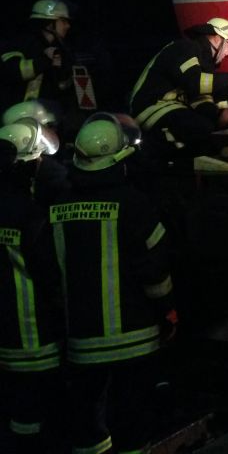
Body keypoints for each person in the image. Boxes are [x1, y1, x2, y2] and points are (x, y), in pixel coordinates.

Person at [54, 112, 176, 454]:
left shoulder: (56, 208)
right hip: (135, 340)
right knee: (132, 423)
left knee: (89, 423)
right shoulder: (135, 205)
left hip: (80, 341)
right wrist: (166, 311)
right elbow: (156, 271)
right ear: (120, 160)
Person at [0, 118, 64, 454]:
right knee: (37, 414)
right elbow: (50, 273)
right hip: (32, 335)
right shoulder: (30, 214)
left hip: (7, 332)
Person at [128, 17, 228, 161]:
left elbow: (200, 99)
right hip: (151, 108)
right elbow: (194, 83)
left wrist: (218, 114)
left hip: (166, 108)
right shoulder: (185, 48)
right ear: (217, 39)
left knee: (203, 128)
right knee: (196, 129)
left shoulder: (201, 62)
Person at [1, 0, 74, 114]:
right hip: (17, 112)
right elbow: (14, 71)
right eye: (63, 21)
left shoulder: (61, 50)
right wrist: (45, 60)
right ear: (50, 24)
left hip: (48, 113)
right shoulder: (21, 43)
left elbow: (62, 87)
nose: (68, 26)